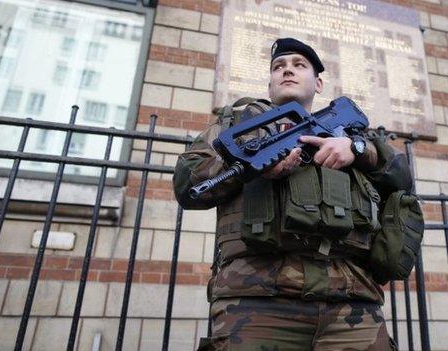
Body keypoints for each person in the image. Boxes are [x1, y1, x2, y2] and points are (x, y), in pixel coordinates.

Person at [173, 38, 413, 350]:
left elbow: (402, 178)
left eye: (299, 65)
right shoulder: (236, 129)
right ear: (270, 83)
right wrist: (249, 166)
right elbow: (186, 187)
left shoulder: (353, 135)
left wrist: (356, 149)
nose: (287, 71)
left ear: (318, 83)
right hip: (257, 304)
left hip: (353, 306)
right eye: (278, 67)